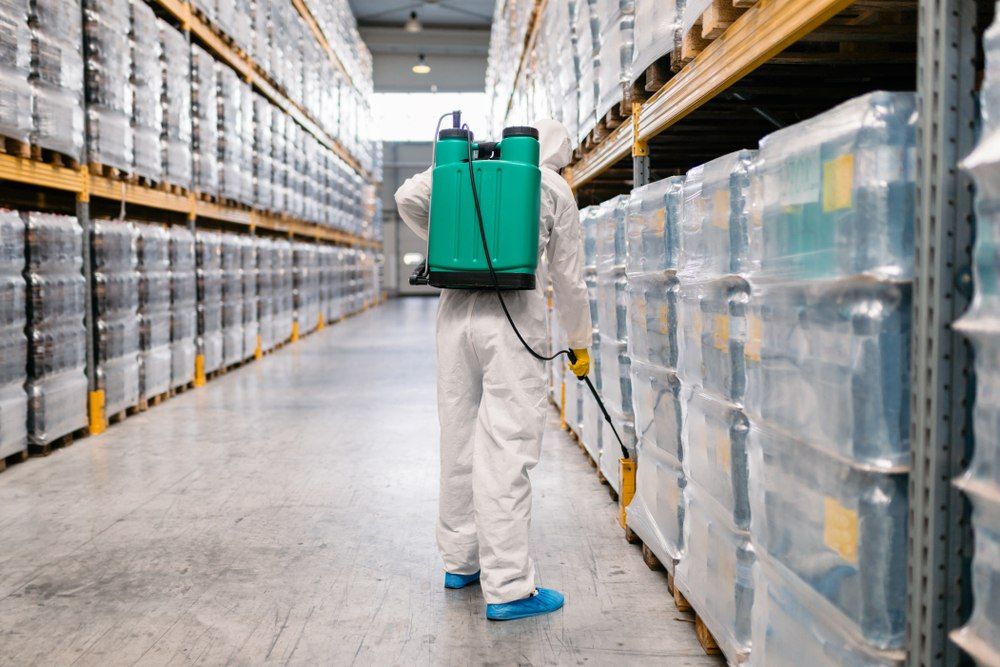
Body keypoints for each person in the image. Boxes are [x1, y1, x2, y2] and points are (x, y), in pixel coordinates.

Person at [394, 118, 592, 621]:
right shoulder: (550, 186)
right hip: (512, 323)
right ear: (555, 154)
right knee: (507, 448)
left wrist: (447, 240)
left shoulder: (466, 170)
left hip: (455, 317)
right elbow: (569, 279)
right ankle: (508, 588)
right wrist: (579, 342)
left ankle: (461, 562)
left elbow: (405, 197)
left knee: (457, 439)